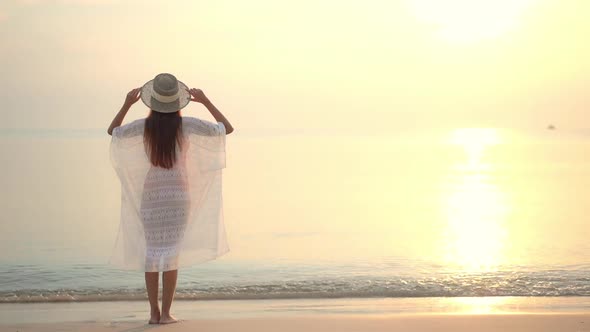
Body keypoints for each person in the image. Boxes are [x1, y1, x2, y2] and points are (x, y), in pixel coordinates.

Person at [107, 73, 234, 324]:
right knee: (172, 254)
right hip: (178, 195)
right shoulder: (186, 125)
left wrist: (126, 104)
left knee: (152, 253)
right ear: (178, 102)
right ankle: (166, 314)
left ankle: (153, 313)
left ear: (152, 101)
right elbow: (226, 128)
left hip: (152, 195)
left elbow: (113, 131)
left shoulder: (145, 127)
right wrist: (206, 101)